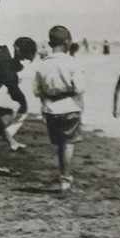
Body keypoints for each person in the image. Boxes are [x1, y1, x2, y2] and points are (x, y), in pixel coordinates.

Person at [32, 25, 85, 192]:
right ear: (68, 42)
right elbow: (80, 88)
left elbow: (36, 91)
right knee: (68, 144)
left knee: (59, 144)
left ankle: (63, 175)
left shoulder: (42, 65)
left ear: (50, 43)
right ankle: (65, 178)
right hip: (70, 107)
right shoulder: (72, 62)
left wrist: (48, 97)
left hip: (50, 109)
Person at [0, 35, 37, 174]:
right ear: (17, 49)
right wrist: (23, 104)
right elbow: (14, 90)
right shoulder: (5, 63)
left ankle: (10, 142)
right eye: (23, 57)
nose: (22, 61)